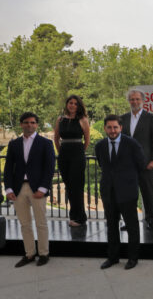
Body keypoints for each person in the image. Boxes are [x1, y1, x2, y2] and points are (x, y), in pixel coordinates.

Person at [4, 112, 55, 267]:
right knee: (25, 224)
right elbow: (8, 168)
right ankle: (29, 254)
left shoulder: (45, 143)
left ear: (36, 125)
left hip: (38, 189)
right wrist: (8, 189)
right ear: (21, 124)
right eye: (26, 122)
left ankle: (44, 254)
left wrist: (43, 188)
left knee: (41, 223)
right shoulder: (14, 144)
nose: (29, 125)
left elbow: (49, 167)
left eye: (33, 122)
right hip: (18, 189)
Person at [96, 115, 146, 270]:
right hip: (108, 192)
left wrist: (128, 180)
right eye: (109, 127)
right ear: (105, 128)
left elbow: (141, 164)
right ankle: (113, 258)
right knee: (111, 226)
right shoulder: (100, 146)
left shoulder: (132, 144)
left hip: (127, 192)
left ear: (121, 128)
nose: (112, 130)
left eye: (115, 127)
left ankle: (133, 258)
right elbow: (102, 164)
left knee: (132, 226)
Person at [121, 88, 153, 230]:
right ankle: (130, 221)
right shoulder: (123, 118)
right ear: (129, 101)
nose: (135, 102)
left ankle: (151, 220)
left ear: (142, 101)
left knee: (148, 193)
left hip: (146, 163)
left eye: (137, 99)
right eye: (132, 99)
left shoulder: (151, 118)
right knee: (129, 195)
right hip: (127, 164)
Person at [53, 95, 91, 227]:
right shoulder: (60, 119)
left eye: (75, 103)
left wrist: (79, 152)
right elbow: (56, 138)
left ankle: (80, 218)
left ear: (78, 106)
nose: (73, 105)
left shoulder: (83, 120)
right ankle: (74, 216)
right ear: (67, 104)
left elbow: (87, 140)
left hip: (77, 155)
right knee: (69, 186)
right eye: (70, 103)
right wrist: (61, 152)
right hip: (63, 155)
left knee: (76, 186)